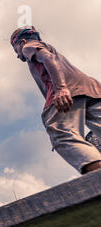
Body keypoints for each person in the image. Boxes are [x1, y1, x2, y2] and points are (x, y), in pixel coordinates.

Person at [11, 26, 101, 174]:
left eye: (16, 50)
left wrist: (61, 88)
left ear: (21, 42)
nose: (17, 55)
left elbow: (48, 58)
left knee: (62, 133)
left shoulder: (28, 46)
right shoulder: (49, 47)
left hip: (68, 90)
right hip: (92, 89)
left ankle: (97, 175)